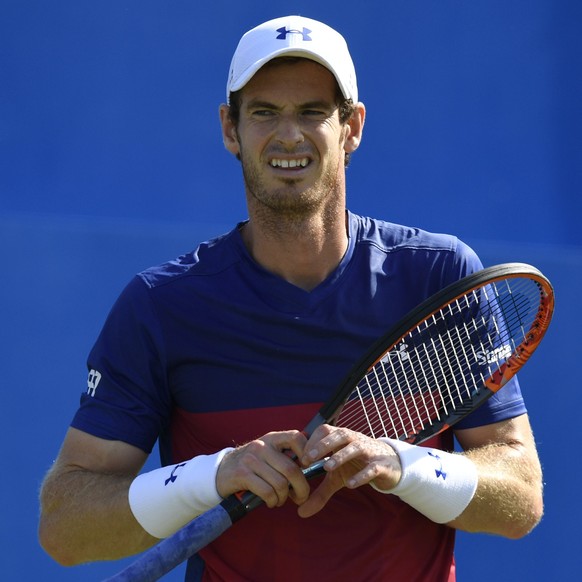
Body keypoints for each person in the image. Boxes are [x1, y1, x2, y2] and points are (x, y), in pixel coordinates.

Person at [39, 15, 543, 581]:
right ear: (230, 129)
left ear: (351, 127)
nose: (289, 136)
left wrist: (401, 463)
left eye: (312, 112)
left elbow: (520, 498)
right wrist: (216, 475)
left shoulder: (439, 276)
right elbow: (65, 524)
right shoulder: (160, 305)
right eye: (264, 113)